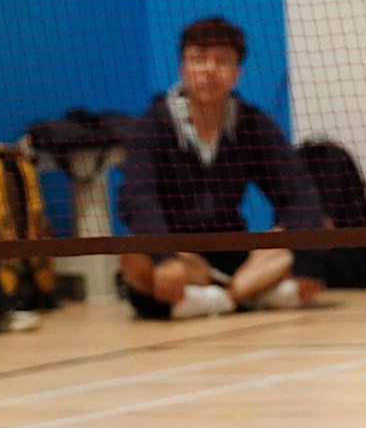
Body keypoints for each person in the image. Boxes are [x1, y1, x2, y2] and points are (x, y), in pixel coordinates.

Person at [117, 17, 326, 318]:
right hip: (181, 255)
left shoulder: (253, 124)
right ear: (183, 68)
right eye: (198, 59)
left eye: (222, 61)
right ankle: (249, 295)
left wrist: (307, 260)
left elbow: (299, 195)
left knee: (307, 236)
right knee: (132, 255)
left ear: (236, 73)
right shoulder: (151, 127)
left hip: (235, 251)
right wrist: (164, 257)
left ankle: (223, 298)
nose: (209, 70)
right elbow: (138, 199)